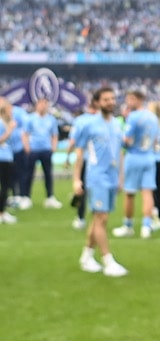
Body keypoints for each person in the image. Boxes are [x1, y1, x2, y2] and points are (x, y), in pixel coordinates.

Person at [73, 86, 127, 277]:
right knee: (101, 218)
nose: (111, 102)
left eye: (112, 98)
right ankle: (108, 260)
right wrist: (76, 179)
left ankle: (86, 257)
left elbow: (119, 152)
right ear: (97, 102)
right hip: (97, 177)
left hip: (112, 177)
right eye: (106, 99)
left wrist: (121, 177)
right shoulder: (89, 124)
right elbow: (80, 153)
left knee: (99, 219)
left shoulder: (117, 124)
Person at [113, 89, 160, 239]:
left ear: (138, 99)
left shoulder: (133, 117)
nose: (128, 102)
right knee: (147, 192)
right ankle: (146, 226)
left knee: (130, 193)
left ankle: (128, 226)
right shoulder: (152, 117)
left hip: (134, 156)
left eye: (130, 99)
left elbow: (126, 139)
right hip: (149, 157)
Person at [65, 96, 99, 230]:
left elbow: (73, 141)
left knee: (81, 189)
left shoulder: (80, 121)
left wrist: (68, 156)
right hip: (98, 162)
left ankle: (80, 217)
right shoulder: (102, 120)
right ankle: (97, 215)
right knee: (96, 189)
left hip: (84, 159)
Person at [21, 97, 60, 208]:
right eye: (41, 104)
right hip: (33, 149)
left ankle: (50, 197)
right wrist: (27, 147)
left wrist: (53, 147)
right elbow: (25, 134)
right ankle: (26, 197)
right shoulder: (30, 118)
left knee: (48, 174)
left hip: (46, 149)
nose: (43, 106)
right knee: (28, 174)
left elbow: (54, 135)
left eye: (45, 104)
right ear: (37, 105)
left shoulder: (51, 119)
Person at [0, 99, 17, 224]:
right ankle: (2, 213)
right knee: (4, 186)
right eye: (10, 109)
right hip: (2, 159)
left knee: (6, 186)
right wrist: (10, 130)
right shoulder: (2, 124)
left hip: (7, 158)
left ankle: (3, 210)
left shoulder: (5, 123)